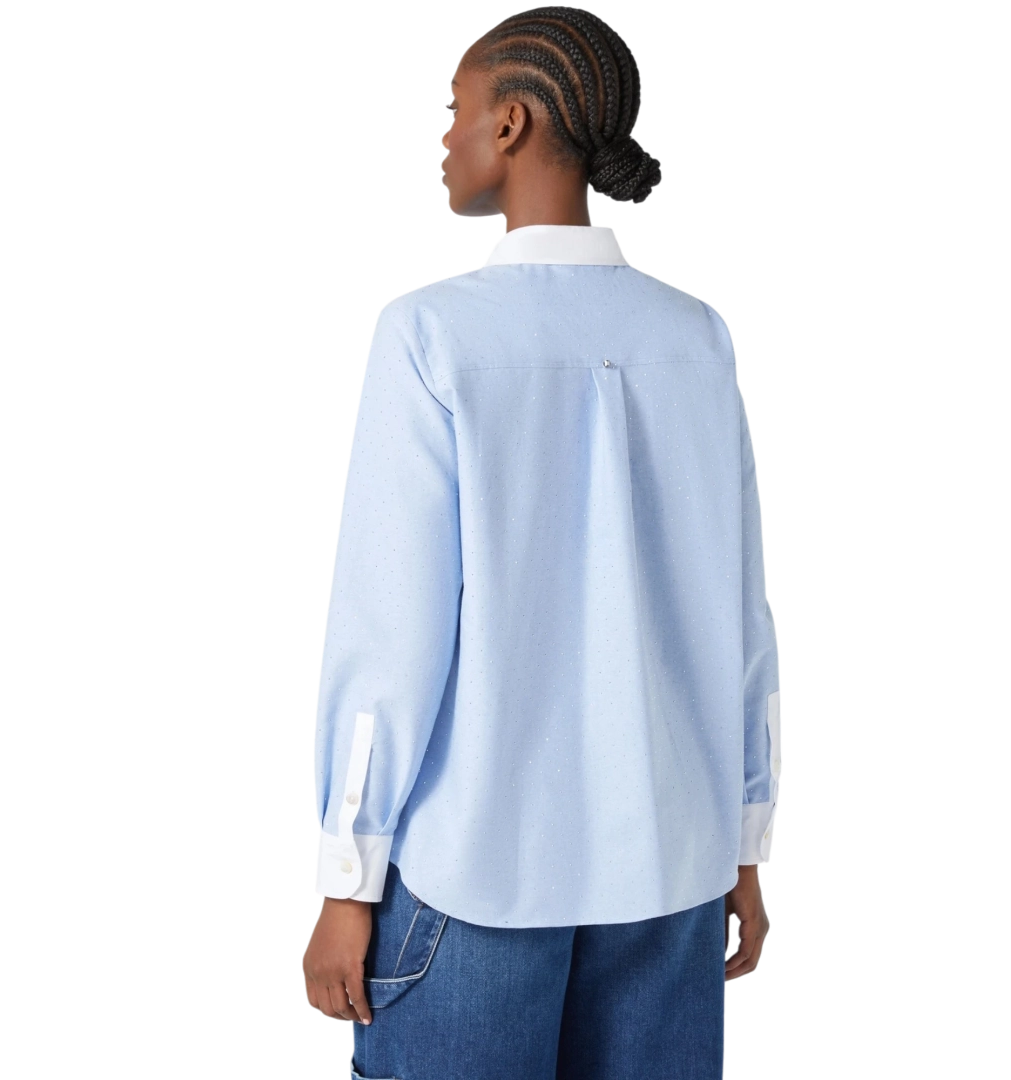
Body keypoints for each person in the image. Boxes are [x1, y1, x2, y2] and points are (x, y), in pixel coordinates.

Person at [302, 5, 782, 1078]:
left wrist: (346, 879)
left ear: (511, 123)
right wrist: (746, 843)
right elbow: (739, 619)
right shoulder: (695, 336)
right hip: (672, 870)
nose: (445, 138)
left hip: (477, 877)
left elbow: (392, 632)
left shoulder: (431, 335)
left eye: (454, 111)